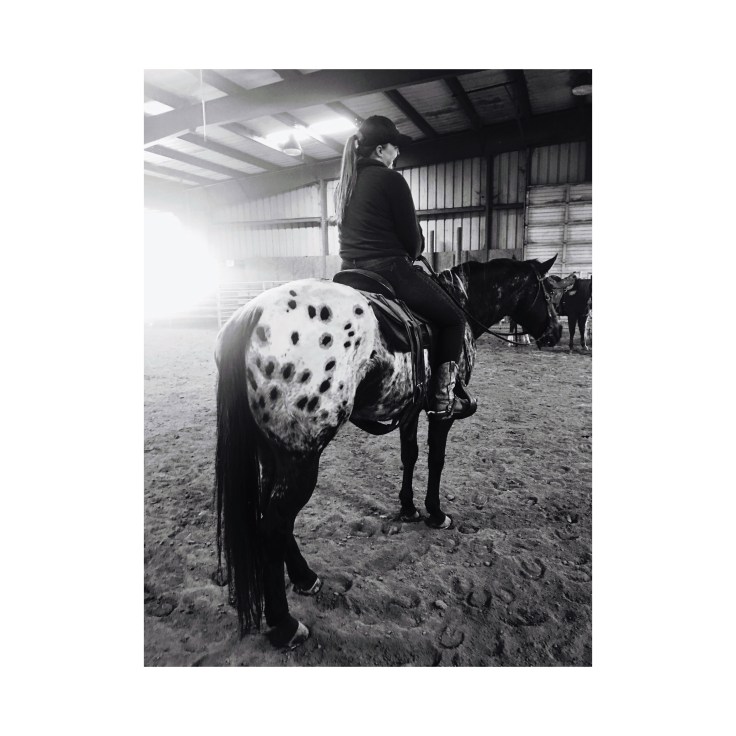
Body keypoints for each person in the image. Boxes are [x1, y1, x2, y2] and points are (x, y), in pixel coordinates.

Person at [335, 115, 474, 420]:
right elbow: (413, 243)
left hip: (348, 276)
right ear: (381, 149)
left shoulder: (345, 184)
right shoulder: (391, 179)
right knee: (454, 319)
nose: (397, 153)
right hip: (388, 271)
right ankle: (443, 399)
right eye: (395, 148)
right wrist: (416, 245)